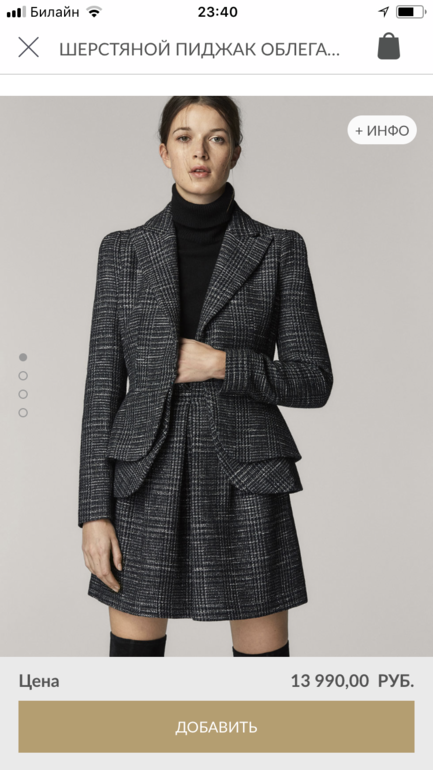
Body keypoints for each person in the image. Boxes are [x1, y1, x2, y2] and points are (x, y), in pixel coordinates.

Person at [78, 96, 334, 657]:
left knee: (262, 682)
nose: (200, 151)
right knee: (133, 680)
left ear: (235, 152)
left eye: (216, 138)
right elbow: (102, 392)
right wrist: (93, 513)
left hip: (247, 478)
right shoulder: (122, 252)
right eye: (184, 137)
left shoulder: (279, 249)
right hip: (144, 477)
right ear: (164, 152)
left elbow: (313, 379)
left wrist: (221, 363)